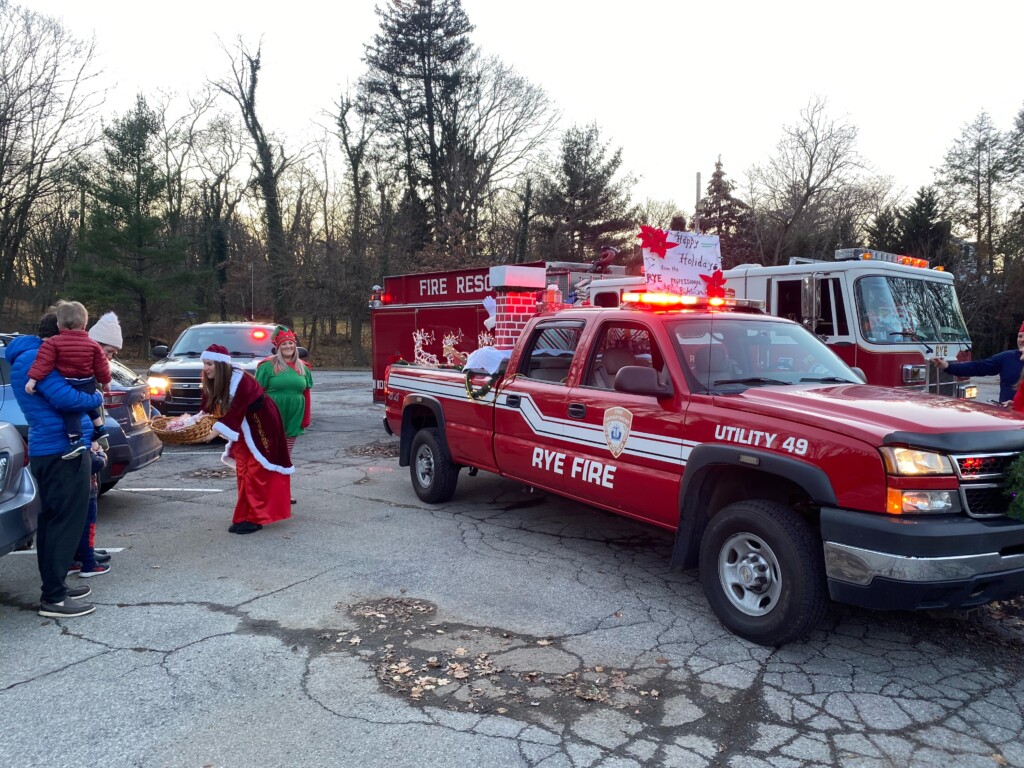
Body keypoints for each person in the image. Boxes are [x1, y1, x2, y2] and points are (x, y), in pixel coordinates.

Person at [7, 311, 104, 618]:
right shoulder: (35, 359)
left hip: (55, 448)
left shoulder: (33, 356)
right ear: (57, 335)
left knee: (53, 521)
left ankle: (56, 585)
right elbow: (67, 399)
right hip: (63, 451)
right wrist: (95, 398)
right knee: (64, 523)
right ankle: (54, 598)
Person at [200, 344, 294, 534]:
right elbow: (207, 407)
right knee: (243, 469)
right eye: (204, 364)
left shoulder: (240, 380)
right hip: (244, 427)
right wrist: (194, 421)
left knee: (256, 471)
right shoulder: (214, 380)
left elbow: (234, 412)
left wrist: (211, 434)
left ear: (220, 365)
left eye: (209, 364)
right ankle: (244, 515)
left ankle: (255, 517)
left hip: (262, 424)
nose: (206, 368)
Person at [25, 300, 111, 459]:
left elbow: (43, 363)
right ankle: (100, 428)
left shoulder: (53, 343)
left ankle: (75, 439)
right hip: (88, 383)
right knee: (87, 404)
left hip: (70, 382)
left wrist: (33, 379)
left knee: (69, 409)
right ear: (85, 324)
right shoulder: (93, 344)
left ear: (59, 324)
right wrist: (106, 381)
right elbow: (101, 365)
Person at [255, 327, 312, 502]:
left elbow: (306, 395)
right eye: (284, 344)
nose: (288, 346)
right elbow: (256, 393)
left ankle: (283, 491)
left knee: (285, 455)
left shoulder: (304, 368)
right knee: (270, 454)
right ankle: (263, 490)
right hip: (271, 416)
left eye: (291, 343)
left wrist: (305, 419)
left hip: (293, 418)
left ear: (295, 346)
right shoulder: (267, 366)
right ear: (278, 347)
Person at [932, 321, 1024, 405]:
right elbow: (978, 367)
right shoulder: (1007, 358)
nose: (1022, 340)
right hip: (1009, 417)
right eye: (1020, 336)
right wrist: (948, 366)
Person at [67, 446, 111, 578]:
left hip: (69, 490)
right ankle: (89, 563)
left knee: (71, 528)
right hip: (86, 490)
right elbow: (96, 463)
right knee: (87, 528)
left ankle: (71, 560)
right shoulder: (80, 445)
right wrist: (101, 453)